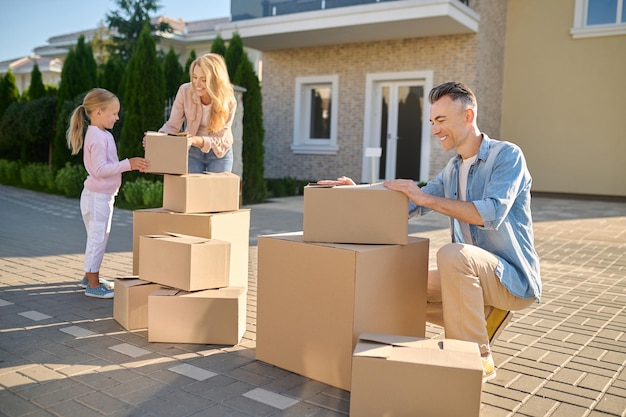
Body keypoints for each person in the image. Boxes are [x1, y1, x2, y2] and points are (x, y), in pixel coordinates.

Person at [323, 81, 541, 383]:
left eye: (441, 120)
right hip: (473, 276)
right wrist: (359, 193)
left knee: (452, 254)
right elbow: (411, 203)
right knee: (397, 286)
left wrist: (427, 197)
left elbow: (489, 215)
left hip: (511, 279)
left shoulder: (507, 156)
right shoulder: (453, 169)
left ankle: (476, 358)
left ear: (468, 116)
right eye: (432, 121)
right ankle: (484, 317)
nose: (435, 129)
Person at [67, 88, 149, 299]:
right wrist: (128, 164)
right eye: (113, 113)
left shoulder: (100, 134)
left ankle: (89, 276)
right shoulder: (98, 137)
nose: (117, 117)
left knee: (96, 238)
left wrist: (127, 164)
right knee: (97, 239)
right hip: (97, 198)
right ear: (98, 112)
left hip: (98, 196)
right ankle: (93, 285)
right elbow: (101, 170)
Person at [157, 53, 237, 173]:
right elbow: (172, 125)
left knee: (216, 192)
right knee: (192, 191)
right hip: (192, 152)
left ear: (215, 80)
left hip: (219, 153)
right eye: (195, 77)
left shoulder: (228, 101)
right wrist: (156, 139)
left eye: (204, 80)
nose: (197, 84)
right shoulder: (185, 91)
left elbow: (219, 138)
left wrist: (194, 139)